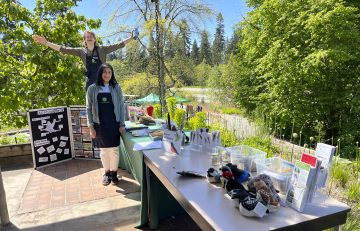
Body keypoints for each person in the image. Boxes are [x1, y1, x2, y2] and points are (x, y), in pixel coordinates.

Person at [32, 30, 137, 90]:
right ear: (84, 40)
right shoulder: (80, 51)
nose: (89, 38)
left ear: (94, 39)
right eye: (87, 37)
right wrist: (46, 43)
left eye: (91, 36)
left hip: (104, 82)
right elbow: (63, 49)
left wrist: (132, 37)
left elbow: (119, 45)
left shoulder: (102, 49)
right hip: (91, 84)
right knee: (92, 109)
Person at [86, 63, 125, 185]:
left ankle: (114, 174)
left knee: (114, 150)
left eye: (109, 72)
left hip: (114, 123)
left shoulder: (116, 87)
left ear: (112, 74)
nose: (107, 74)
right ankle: (106, 173)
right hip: (99, 124)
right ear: (100, 74)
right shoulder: (92, 88)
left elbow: (121, 106)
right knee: (103, 151)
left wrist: (122, 124)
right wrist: (91, 126)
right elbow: (88, 108)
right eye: (104, 72)